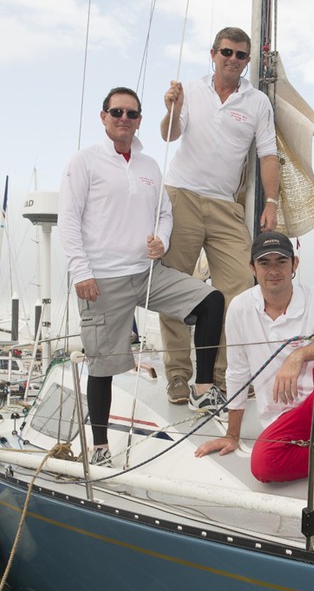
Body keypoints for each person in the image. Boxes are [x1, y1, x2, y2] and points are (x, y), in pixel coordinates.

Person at [58, 86, 226, 466]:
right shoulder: (83, 162)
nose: (124, 119)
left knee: (211, 300)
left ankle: (201, 387)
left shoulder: (149, 166)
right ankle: (99, 447)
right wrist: (81, 272)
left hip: (149, 272)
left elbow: (164, 214)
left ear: (139, 121)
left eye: (131, 114)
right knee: (102, 365)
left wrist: (162, 241)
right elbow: (68, 221)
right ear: (103, 117)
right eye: (116, 112)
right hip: (102, 279)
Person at [159, 26, 281, 405]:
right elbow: (168, 135)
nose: (233, 59)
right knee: (174, 287)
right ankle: (178, 376)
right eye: (226, 52)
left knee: (241, 287)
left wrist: (271, 202)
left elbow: (268, 155)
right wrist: (171, 109)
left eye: (241, 55)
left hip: (227, 205)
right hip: (181, 196)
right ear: (213, 54)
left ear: (246, 61)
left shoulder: (257, 102)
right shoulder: (190, 91)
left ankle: (219, 375)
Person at [195, 231, 314, 494]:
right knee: (264, 467)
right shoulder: (241, 307)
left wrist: (298, 355)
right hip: (283, 418)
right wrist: (233, 434)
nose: (273, 270)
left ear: (294, 265)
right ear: (252, 268)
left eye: (281, 261)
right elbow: (238, 371)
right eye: (265, 263)